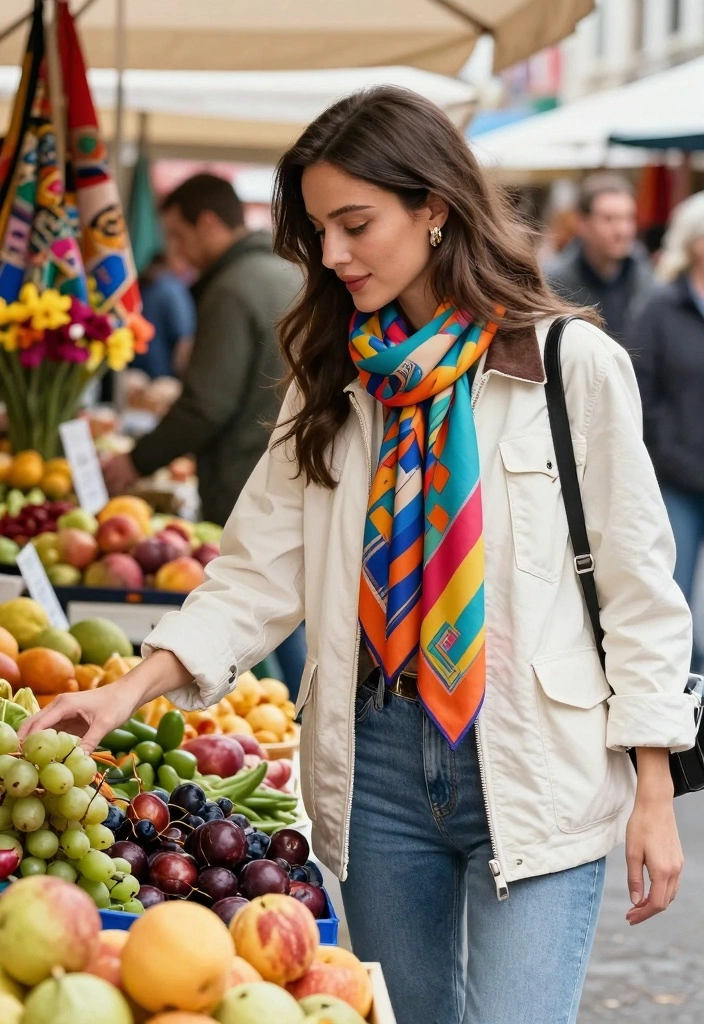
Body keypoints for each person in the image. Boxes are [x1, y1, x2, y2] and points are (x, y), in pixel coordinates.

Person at [22, 88, 694, 1024]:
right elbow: (254, 574)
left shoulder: (570, 366)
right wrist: (128, 690)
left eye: (355, 223)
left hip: (538, 757)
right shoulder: (332, 380)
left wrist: (655, 788)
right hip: (375, 762)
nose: (332, 253)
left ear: (434, 208)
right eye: (318, 231)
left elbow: (640, 589)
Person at [102, 173, 298, 529]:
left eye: (178, 235)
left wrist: (137, 461)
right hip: (284, 482)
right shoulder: (290, 273)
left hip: (240, 487)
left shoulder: (231, 289)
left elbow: (207, 405)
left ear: (207, 224)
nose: (175, 252)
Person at [627, 192, 704, 664]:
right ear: (695, 242)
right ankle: (677, 679)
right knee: (673, 588)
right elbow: (642, 389)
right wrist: (667, 452)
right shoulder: (661, 306)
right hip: (677, 475)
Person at [546, 172, 653, 340]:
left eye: (629, 218)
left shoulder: (647, 279)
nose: (622, 230)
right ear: (582, 223)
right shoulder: (554, 284)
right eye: (609, 219)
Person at [131, 253, 196, 379]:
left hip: (134, 373)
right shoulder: (174, 290)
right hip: (160, 378)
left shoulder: (146, 283)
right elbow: (184, 344)